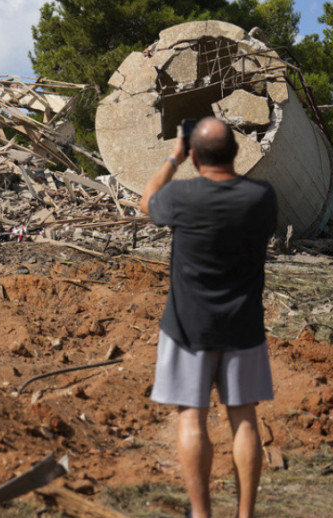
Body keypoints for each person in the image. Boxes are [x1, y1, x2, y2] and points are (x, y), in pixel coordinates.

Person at [138, 117, 277, 518]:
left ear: (194, 155)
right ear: (234, 152)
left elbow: (147, 201)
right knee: (244, 420)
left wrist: (173, 159)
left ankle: (201, 514)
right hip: (244, 327)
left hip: (187, 327)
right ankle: (245, 514)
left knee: (191, 420)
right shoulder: (262, 196)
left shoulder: (181, 196)